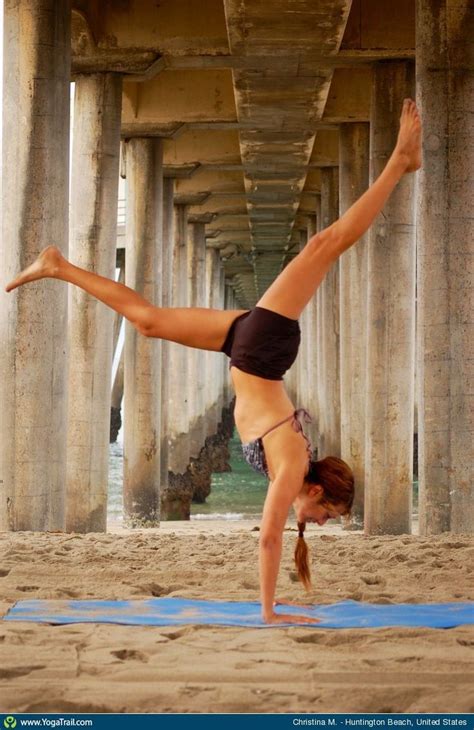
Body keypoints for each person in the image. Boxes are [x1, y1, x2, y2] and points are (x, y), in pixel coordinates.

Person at [5, 99, 422, 625]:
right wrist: (270, 612)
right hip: (263, 347)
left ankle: (58, 265)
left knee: (148, 322)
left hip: (244, 347)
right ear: (315, 490)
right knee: (326, 243)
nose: (318, 522)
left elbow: (276, 535)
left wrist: (277, 599)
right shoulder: (293, 467)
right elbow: (268, 537)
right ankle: (401, 161)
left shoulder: (295, 472)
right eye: (325, 514)